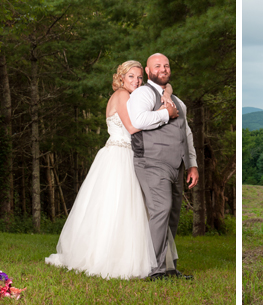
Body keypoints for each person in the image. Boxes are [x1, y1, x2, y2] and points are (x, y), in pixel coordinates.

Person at [46, 60, 176, 279]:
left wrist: (168, 93)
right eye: (131, 77)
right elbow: (133, 126)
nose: (137, 81)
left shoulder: (129, 96)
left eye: (139, 77)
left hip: (125, 154)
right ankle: (113, 259)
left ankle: (137, 257)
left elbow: (165, 86)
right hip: (120, 156)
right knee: (119, 208)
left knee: (128, 210)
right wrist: (165, 114)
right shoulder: (122, 96)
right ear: (121, 78)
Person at [128, 53, 199, 281]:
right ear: (148, 72)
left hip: (176, 164)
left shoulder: (178, 101)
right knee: (161, 210)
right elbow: (138, 121)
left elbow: (185, 133)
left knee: (173, 215)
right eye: (157, 66)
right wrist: (165, 114)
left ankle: (169, 267)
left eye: (166, 65)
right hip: (151, 161)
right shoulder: (142, 94)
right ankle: (155, 270)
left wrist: (192, 164)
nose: (163, 68)